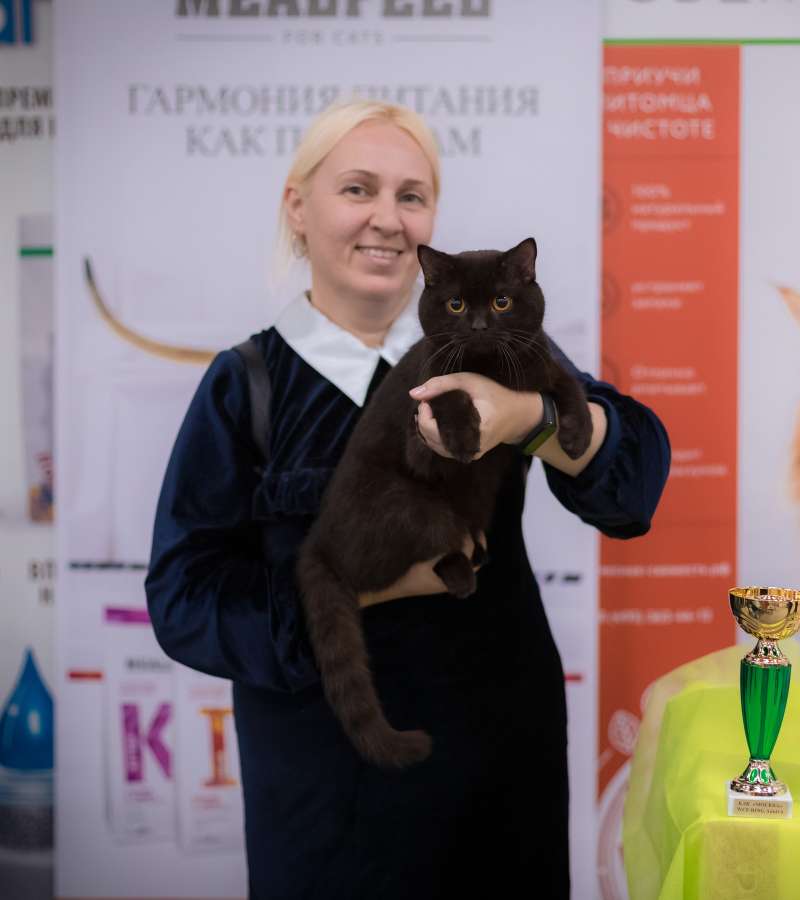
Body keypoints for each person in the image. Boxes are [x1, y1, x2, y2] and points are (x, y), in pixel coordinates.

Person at [144, 99, 670, 899]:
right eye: (358, 189)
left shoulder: (493, 348)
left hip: (498, 776)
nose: (387, 219)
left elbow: (633, 487)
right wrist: (360, 592)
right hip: (326, 789)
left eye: (412, 196)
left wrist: (529, 419)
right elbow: (185, 596)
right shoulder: (246, 385)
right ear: (298, 207)